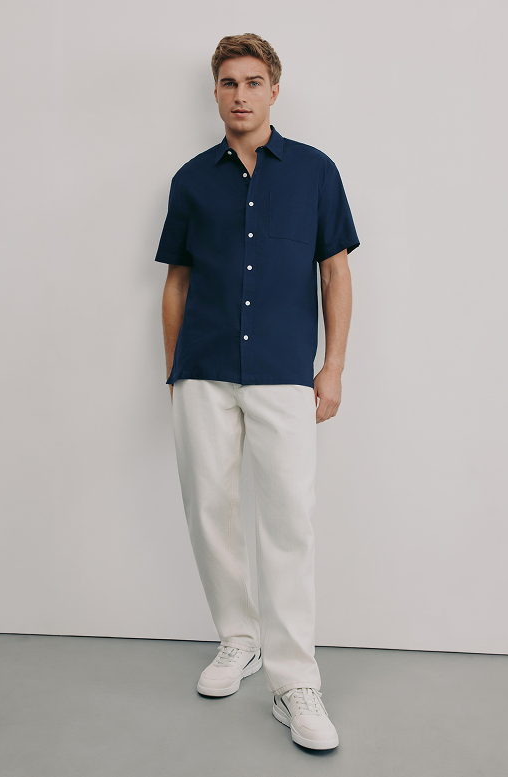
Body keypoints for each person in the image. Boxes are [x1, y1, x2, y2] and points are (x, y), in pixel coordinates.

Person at [154, 33, 360, 751]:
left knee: (288, 520)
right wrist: (173, 369)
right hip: (203, 370)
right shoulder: (190, 180)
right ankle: (236, 638)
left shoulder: (313, 172)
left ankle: (294, 678)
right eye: (226, 83)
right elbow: (175, 281)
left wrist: (331, 367)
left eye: (252, 81)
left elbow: (335, 271)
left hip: (282, 374)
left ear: (275, 88)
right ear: (215, 92)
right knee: (210, 506)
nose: (239, 94)